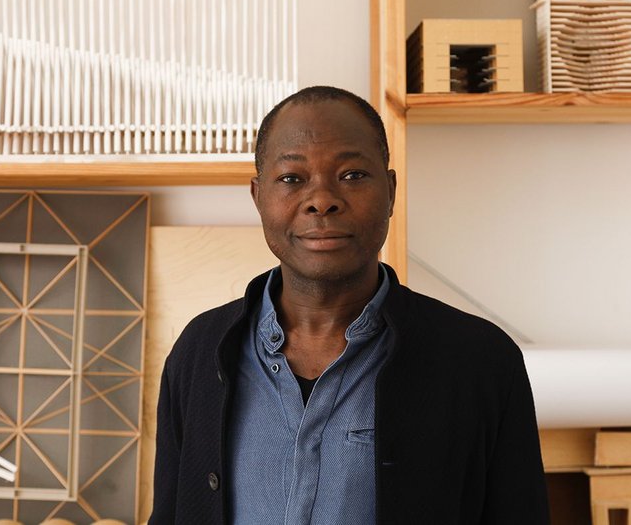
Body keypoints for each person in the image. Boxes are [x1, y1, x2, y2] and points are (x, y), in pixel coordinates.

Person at [149, 86, 549, 524]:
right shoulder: (199, 352)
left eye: (353, 175)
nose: (322, 199)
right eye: (292, 178)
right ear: (258, 196)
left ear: (391, 191)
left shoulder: (481, 361)